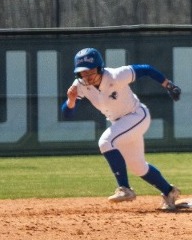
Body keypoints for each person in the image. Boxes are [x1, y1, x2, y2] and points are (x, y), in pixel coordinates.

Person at [62, 48, 185, 210]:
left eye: (90, 71)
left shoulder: (115, 75)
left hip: (137, 116)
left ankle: (124, 188)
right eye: (82, 72)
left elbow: (146, 69)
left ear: (100, 67)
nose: (87, 76)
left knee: (106, 142)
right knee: (138, 167)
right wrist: (71, 101)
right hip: (119, 124)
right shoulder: (80, 85)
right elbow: (67, 114)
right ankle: (169, 192)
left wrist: (169, 85)